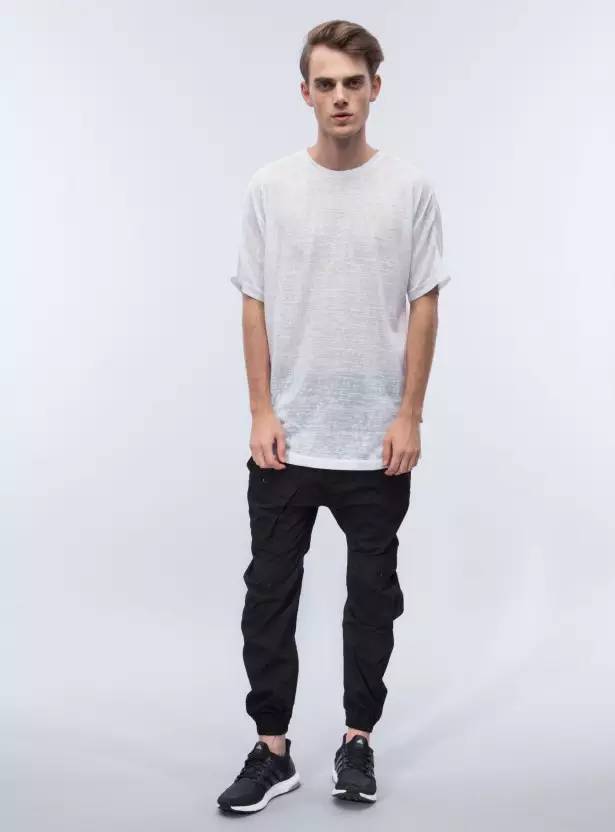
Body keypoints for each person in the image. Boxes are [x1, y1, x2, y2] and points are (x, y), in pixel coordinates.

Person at [217, 18, 452, 814]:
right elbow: (253, 302)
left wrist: (410, 414)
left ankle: (357, 741)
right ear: (305, 92)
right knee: (269, 596)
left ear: (375, 88)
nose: (341, 97)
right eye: (326, 84)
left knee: (372, 597)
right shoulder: (271, 187)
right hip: (288, 435)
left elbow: (424, 305)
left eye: (354, 83)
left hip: (375, 440)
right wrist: (260, 409)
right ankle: (272, 750)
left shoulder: (409, 190)